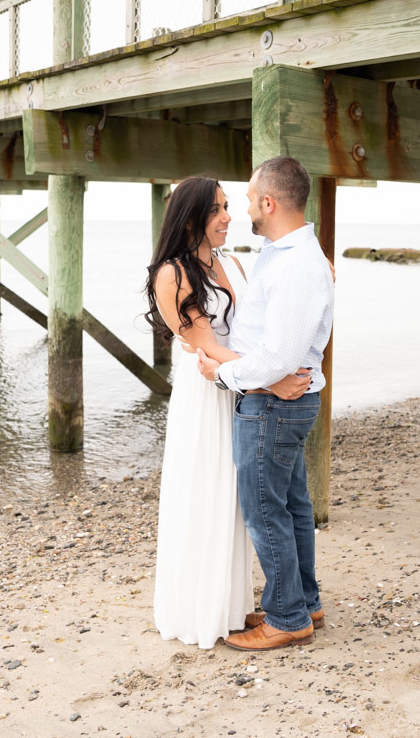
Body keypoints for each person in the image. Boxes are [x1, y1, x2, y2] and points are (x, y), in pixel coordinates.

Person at [144, 176, 311, 650]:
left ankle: (235, 605)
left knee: (238, 505)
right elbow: (209, 348)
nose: (228, 216)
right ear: (192, 217)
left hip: (240, 391)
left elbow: (266, 313)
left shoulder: (233, 262)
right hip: (206, 398)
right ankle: (203, 611)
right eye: (217, 209)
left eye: (226, 206)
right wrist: (271, 379)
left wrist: (315, 272)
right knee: (206, 498)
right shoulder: (171, 275)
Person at [195, 156, 335, 651]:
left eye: (250, 200)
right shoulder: (284, 253)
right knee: (293, 505)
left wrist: (223, 373)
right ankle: (304, 600)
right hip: (281, 403)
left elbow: (280, 355)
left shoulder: (296, 263)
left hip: (274, 406)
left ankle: (287, 617)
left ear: (269, 203)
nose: (244, 210)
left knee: (264, 510)